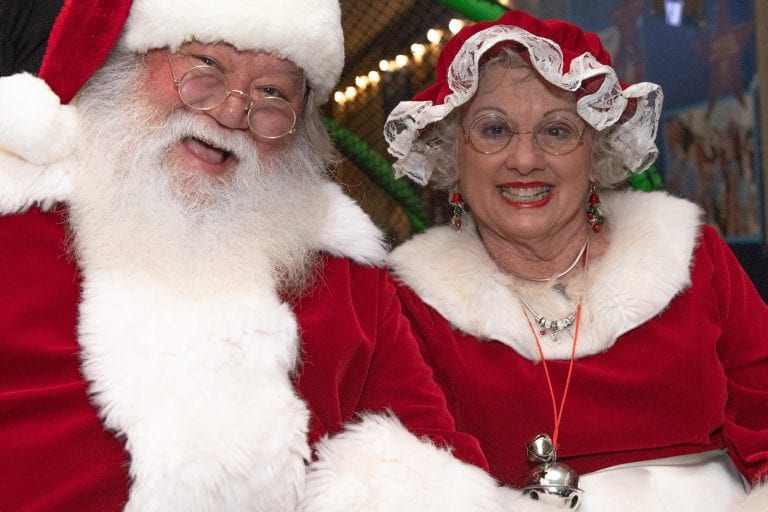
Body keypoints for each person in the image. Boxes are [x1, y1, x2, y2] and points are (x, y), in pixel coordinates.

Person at [0, 1, 551, 511]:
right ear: (128, 69)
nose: (234, 109)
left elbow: (437, 457)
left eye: (272, 94)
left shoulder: (349, 283)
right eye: (205, 65)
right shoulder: (17, 226)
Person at [384, 10, 768, 512]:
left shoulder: (694, 259)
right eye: (494, 129)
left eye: (557, 131)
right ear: (454, 153)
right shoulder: (409, 306)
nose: (524, 160)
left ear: (597, 149)